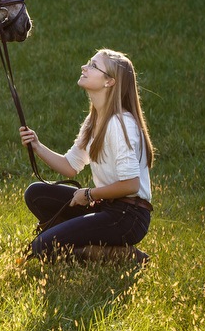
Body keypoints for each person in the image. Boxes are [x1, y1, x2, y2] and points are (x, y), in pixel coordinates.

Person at [19, 48, 154, 265]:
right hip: (106, 207)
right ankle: (80, 244)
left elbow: (130, 184)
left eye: (93, 66)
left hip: (128, 216)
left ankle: (116, 254)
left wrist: (90, 194)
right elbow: (70, 166)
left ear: (109, 81)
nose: (84, 67)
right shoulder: (95, 120)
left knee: (40, 248)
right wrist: (37, 146)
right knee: (36, 194)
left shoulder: (121, 125)